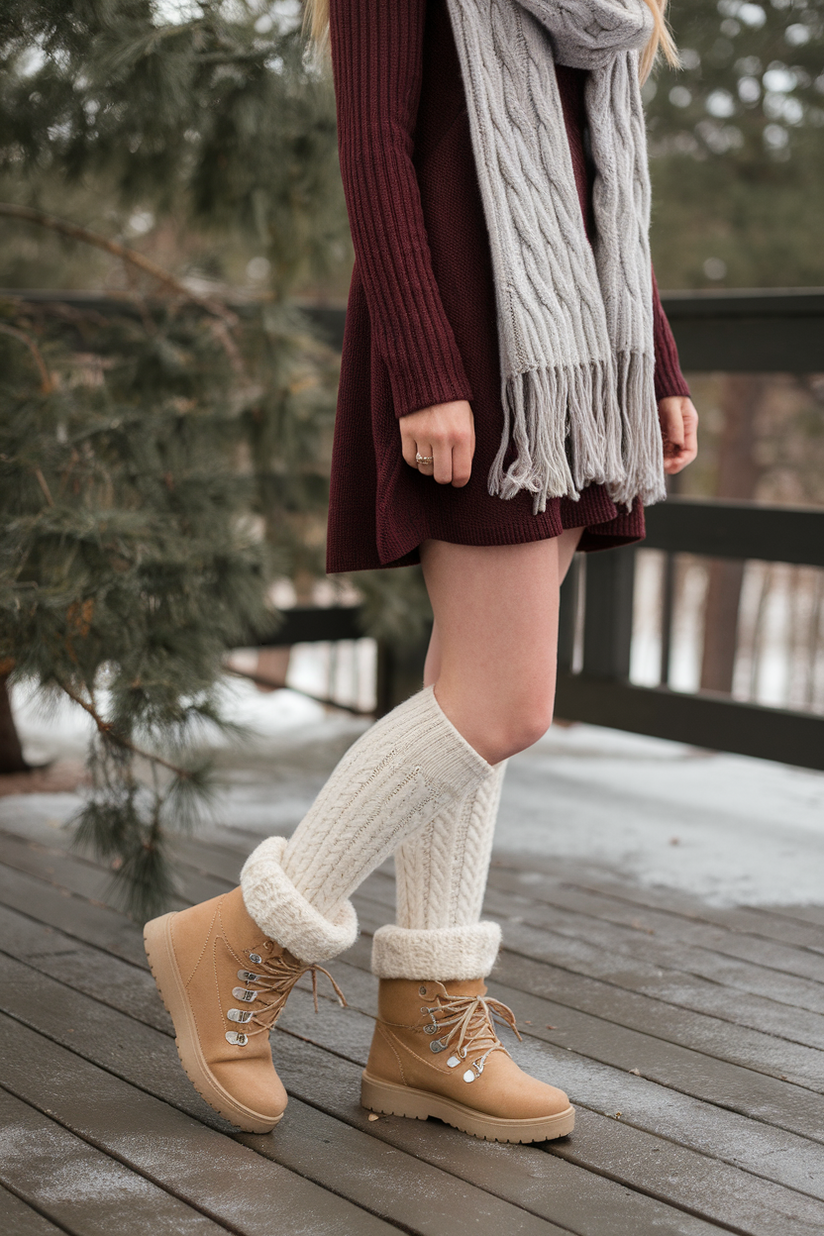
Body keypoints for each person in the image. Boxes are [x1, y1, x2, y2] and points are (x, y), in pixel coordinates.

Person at [144, 0, 698, 1145]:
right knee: (504, 705)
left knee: (469, 691)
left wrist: (657, 362)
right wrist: (422, 367)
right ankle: (244, 936)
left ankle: (423, 1024)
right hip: (468, 350)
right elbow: (375, 154)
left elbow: (601, 172)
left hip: (571, 363)